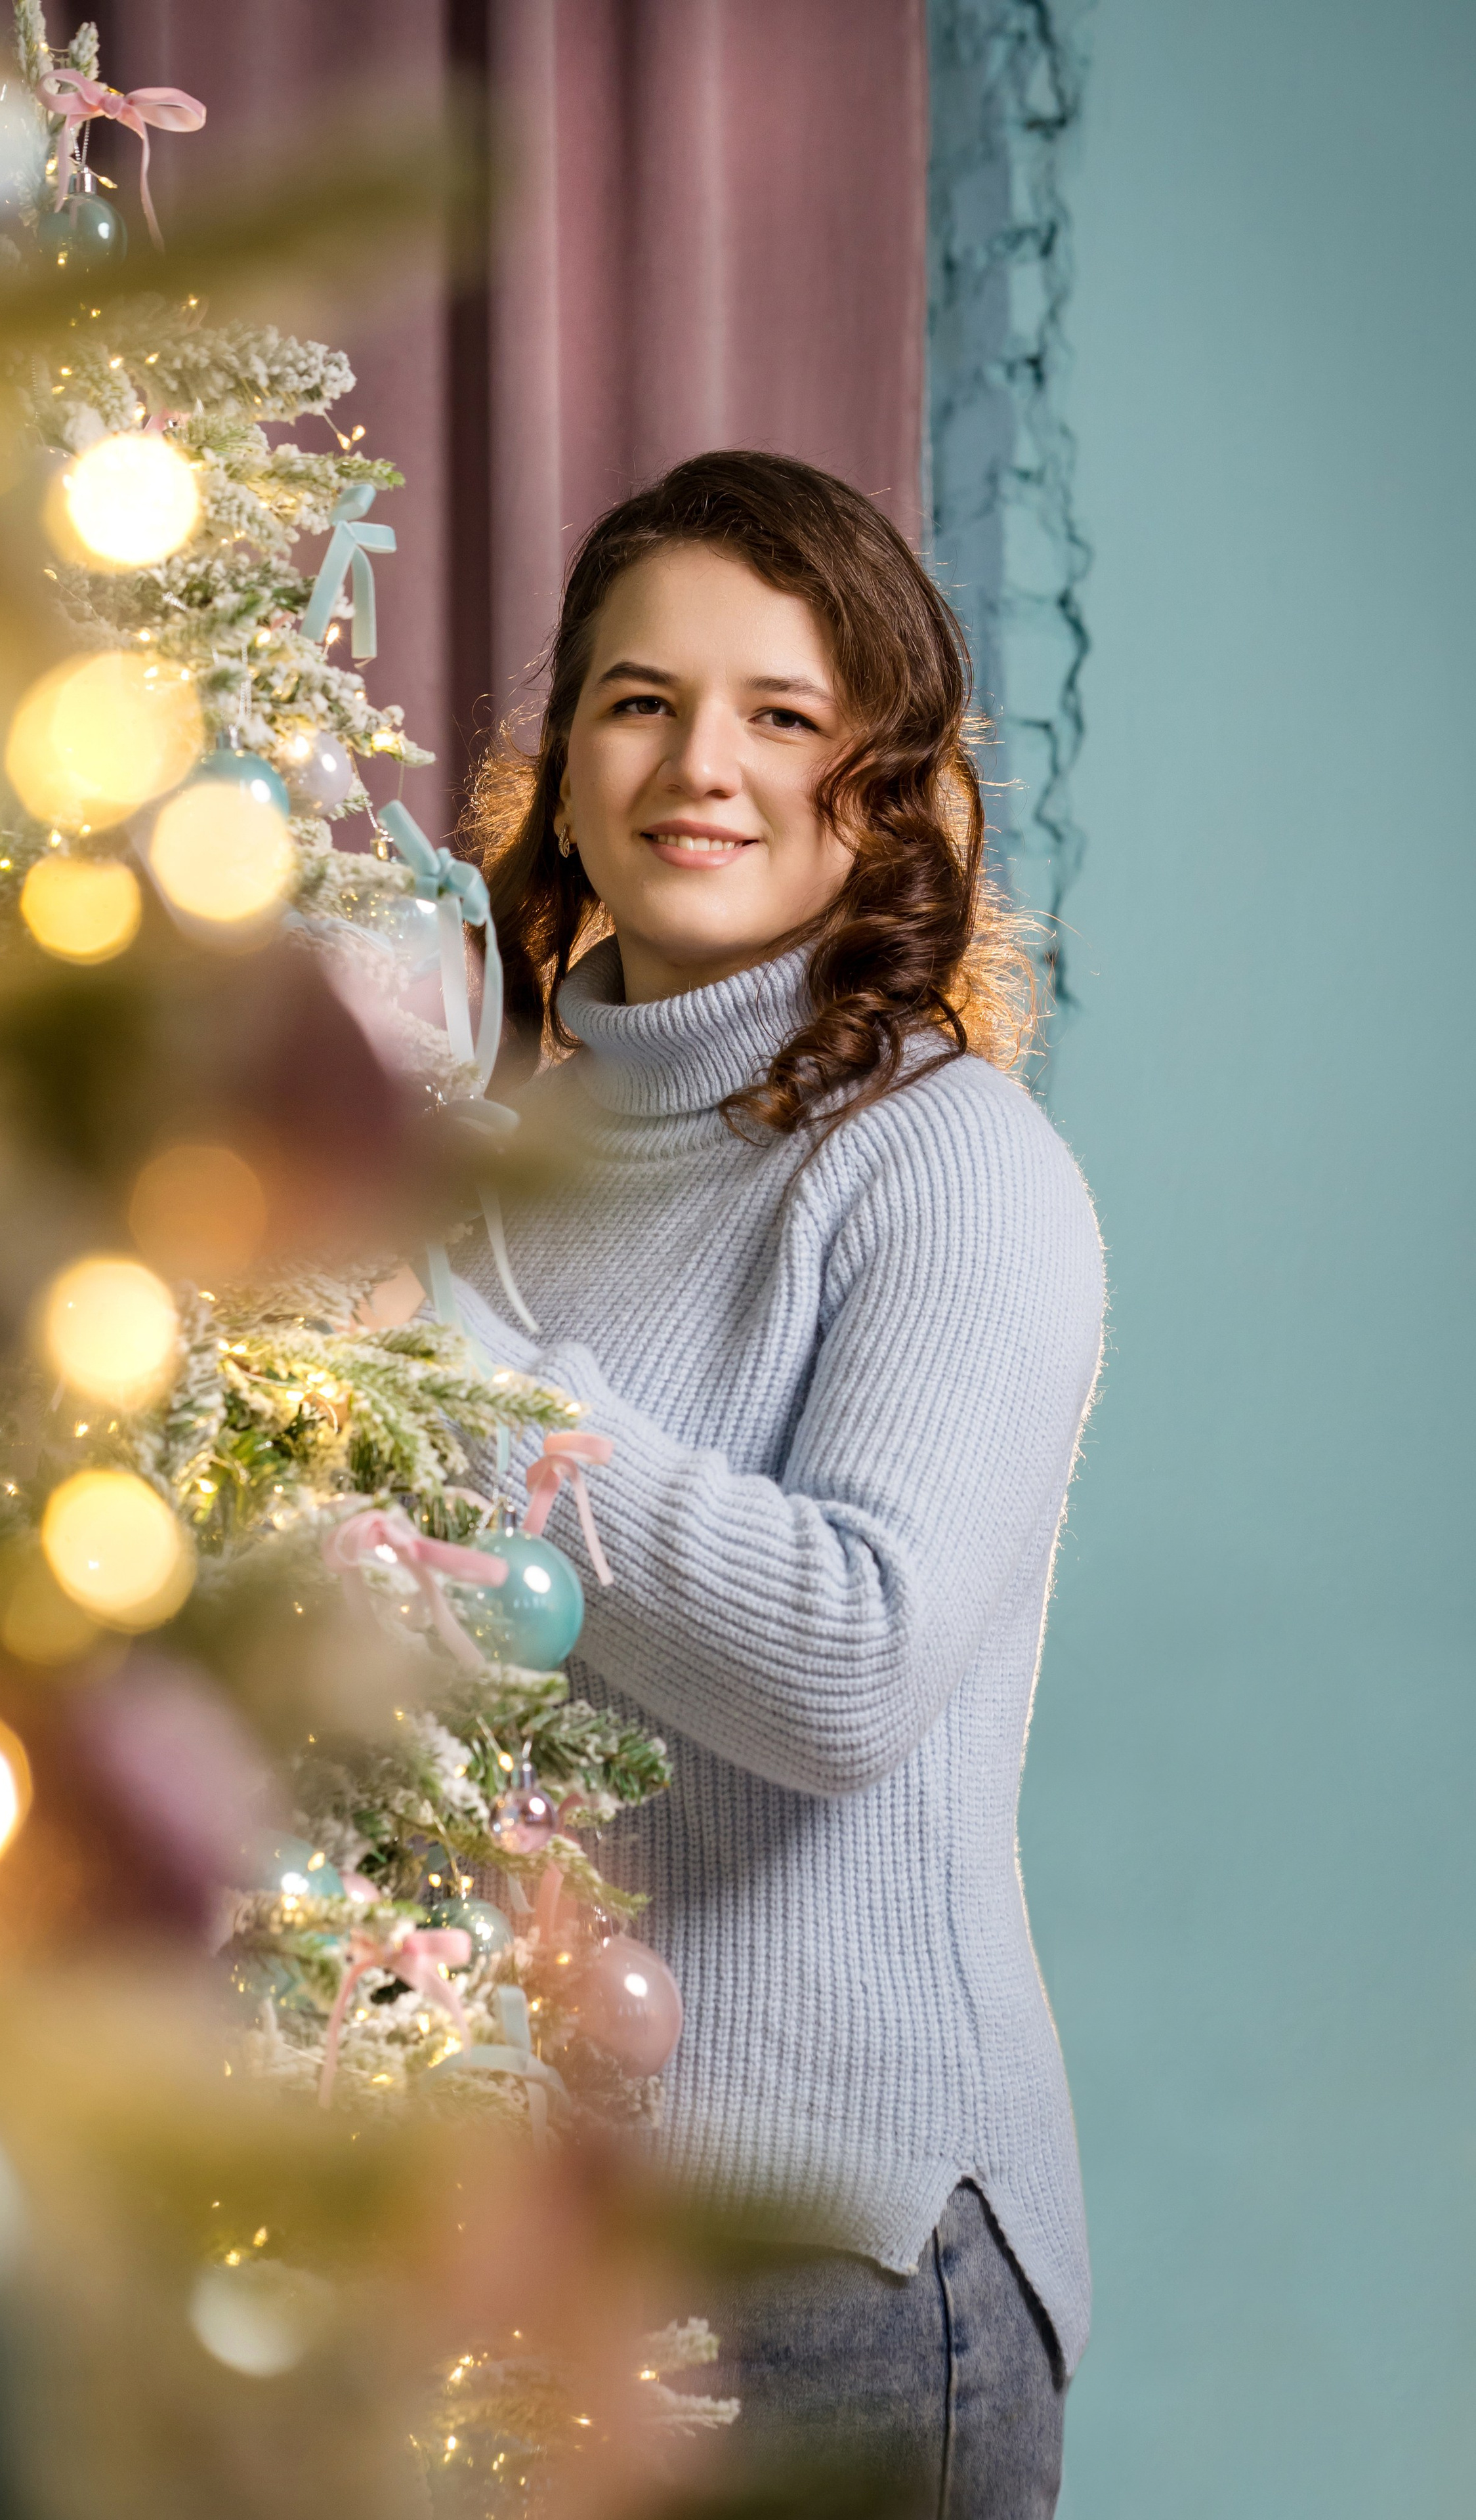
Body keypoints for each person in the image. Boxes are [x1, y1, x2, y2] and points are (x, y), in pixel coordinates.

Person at [449, 450, 1105, 2514]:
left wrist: (447, 1384)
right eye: (639, 702)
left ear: (878, 789)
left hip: (837, 2274)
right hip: (504, 2257)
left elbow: (848, 1665)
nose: (698, 768)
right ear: (565, 774)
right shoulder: (481, 1169)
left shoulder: (948, 1163)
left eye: (782, 713)